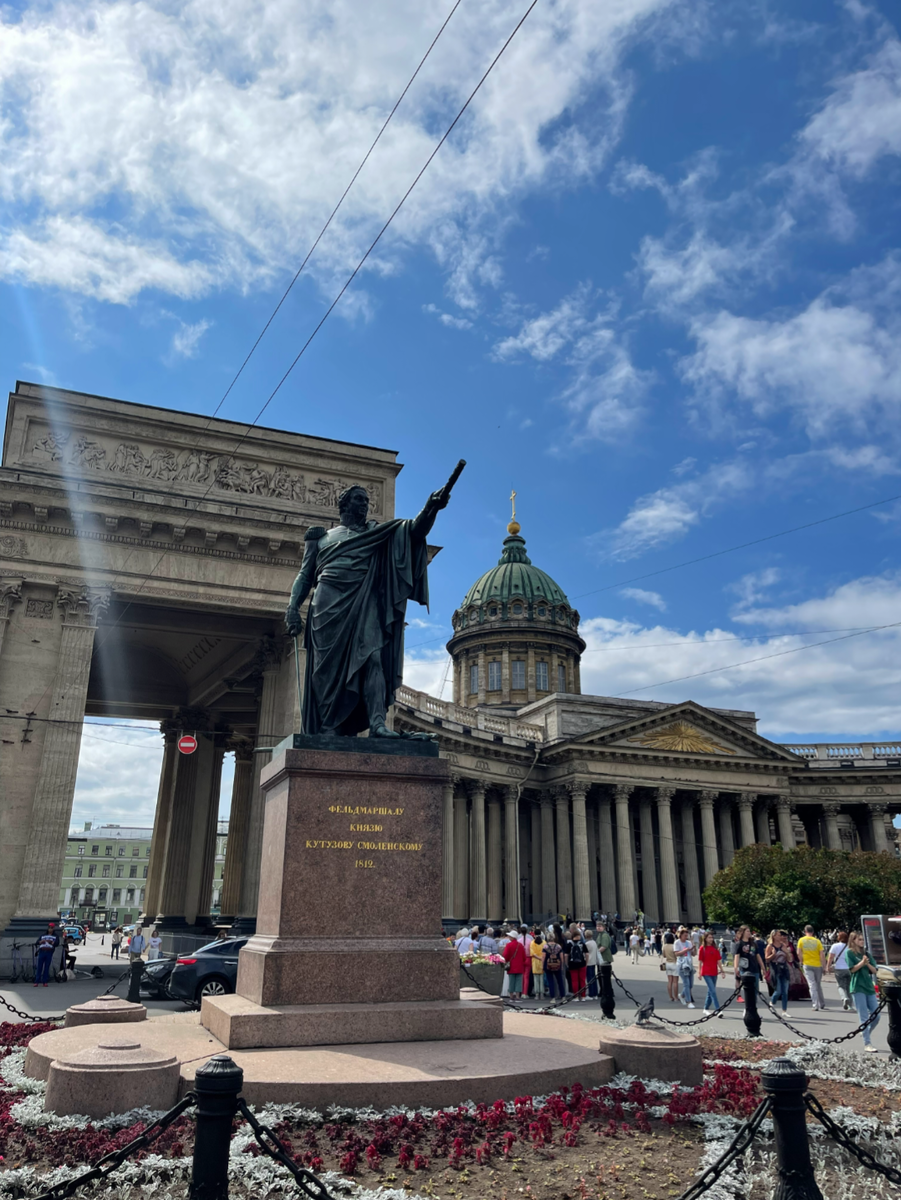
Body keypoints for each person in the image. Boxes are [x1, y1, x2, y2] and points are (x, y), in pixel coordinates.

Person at [846, 931, 880, 1052]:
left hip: (869, 987)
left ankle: (865, 1031)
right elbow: (853, 969)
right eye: (859, 939)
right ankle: (867, 1043)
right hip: (857, 986)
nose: (862, 942)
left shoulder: (866, 953)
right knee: (864, 1016)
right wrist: (862, 963)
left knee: (877, 1015)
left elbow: (875, 970)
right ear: (853, 940)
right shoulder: (849, 953)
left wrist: (867, 963)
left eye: (862, 940)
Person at [798, 925, 827, 1011]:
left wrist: (801, 961)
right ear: (813, 932)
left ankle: (815, 1004)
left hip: (807, 964)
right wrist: (824, 966)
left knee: (811, 985)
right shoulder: (817, 941)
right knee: (818, 984)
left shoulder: (801, 940)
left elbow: (799, 952)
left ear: (805, 931)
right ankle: (822, 1003)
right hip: (817, 964)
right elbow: (822, 954)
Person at [765, 930, 794, 1013]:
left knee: (785, 991)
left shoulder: (783, 946)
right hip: (775, 968)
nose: (780, 937)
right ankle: (772, 1002)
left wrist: (787, 953)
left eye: (780, 935)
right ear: (773, 936)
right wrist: (773, 954)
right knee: (778, 991)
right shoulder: (770, 946)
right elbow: (766, 959)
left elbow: (789, 959)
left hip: (784, 968)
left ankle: (784, 1010)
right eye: (778, 935)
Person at [733, 925, 766, 996]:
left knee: (755, 989)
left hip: (755, 968)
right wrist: (736, 968)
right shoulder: (739, 944)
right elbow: (737, 956)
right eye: (747, 931)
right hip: (745, 969)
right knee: (748, 989)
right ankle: (749, 1006)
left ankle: (754, 1005)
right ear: (743, 932)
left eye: (749, 931)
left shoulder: (753, 943)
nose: (749, 932)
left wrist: (763, 967)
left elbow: (758, 955)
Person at [698, 932, 725, 1013]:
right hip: (706, 972)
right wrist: (699, 972)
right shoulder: (702, 948)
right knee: (713, 991)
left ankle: (705, 1008)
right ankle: (718, 1009)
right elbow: (700, 961)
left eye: (712, 937)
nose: (711, 939)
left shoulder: (715, 948)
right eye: (709, 937)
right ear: (705, 939)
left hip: (714, 972)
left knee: (710, 991)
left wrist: (722, 971)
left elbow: (718, 961)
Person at [827, 931, 853, 1011]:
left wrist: (828, 966)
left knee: (840, 985)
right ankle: (850, 1006)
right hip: (849, 968)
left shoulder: (835, 946)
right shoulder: (850, 946)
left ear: (839, 938)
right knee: (849, 987)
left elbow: (830, 957)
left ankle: (844, 998)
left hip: (839, 968)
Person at [502, 928, 527, 1000]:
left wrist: (506, 961)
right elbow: (524, 957)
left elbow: (505, 955)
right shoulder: (520, 945)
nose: (509, 937)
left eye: (510, 936)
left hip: (511, 966)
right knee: (519, 981)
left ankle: (511, 995)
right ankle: (518, 996)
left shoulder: (509, 945)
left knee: (511, 981)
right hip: (519, 966)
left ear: (513, 937)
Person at [674, 927, 695, 1007]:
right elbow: (676, 953)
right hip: (681, 965)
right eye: (685, 935)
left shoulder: (688, 942)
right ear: (681, 935)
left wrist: (693, 949)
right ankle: (688, 1001)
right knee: (686, 983)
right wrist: (686, 950)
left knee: (690, 984)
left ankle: (682, 995)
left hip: (689, 964)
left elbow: (693, 954)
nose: (686, 937)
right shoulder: (677, 942)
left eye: (687, 936)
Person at [566, 926, 588, 1001]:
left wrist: (567, 963)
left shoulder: (569, 944)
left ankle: (576, 996)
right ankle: (583, 996)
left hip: (572, 964)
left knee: (574, 981)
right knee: (582, 980)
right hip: (582, 963)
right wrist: (586, 962)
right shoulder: (582, 944)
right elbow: (587, 954)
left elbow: (566, 955)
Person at [543, 933, 567, 1001]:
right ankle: (563, 996)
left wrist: (543, 966)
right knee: (560, 981)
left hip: (548, 965)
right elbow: (562, 956)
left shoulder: (545, 947)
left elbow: (543, 957)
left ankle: (553, 997)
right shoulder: (558, 946)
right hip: (557, 965)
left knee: (551, 981)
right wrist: (562, 965)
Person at [663, 932, 680, 1003]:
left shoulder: (665, 946)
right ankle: (676, 997)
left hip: (667, 963)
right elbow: (676, 955)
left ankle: (670, 997)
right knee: (675, 982)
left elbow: (664, 955)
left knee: (669, 981)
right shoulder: (674, 946)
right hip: (674, 963)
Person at [584, 929, 600, 998]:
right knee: (593, 978)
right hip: (593, 961)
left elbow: (585, 954)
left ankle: (591, 994)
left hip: (589, 962)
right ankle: (595, 993)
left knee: (589, 979)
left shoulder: (587, 944)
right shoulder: (594, 942)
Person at [530, 932, 546, 997]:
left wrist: (538, 957)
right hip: (542, 961)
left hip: (535, 962)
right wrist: (541, 958)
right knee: (542, 978)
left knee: (536, 979)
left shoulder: (532, 943)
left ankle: (537, 994)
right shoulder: (544, 942)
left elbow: (532, 953)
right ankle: (542, 993)